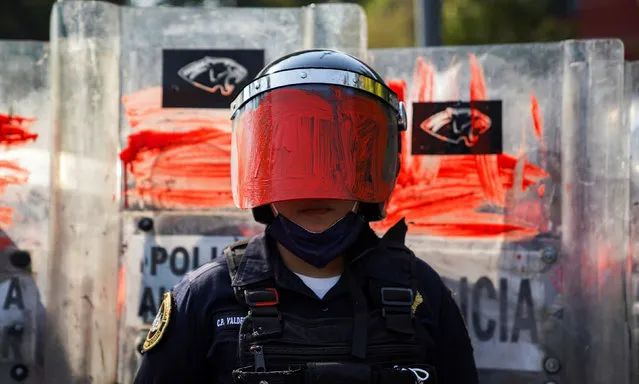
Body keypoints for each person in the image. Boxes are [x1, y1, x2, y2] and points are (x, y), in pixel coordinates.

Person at [134, 49, 479, 384]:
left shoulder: (420, 292)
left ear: (374, 166)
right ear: (260, 165)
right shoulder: (206, 296)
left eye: (336, 161)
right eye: (291, 160)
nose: (315, 189)